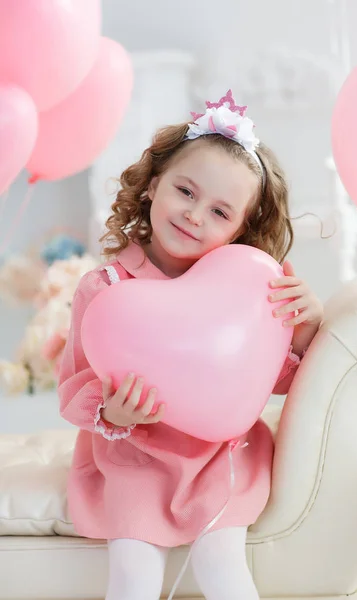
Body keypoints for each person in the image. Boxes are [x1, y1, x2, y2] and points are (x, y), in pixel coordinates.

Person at [58, 90, 323, 600]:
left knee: (223, 568)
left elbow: (275, 379)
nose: (195, 215)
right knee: (133, 577)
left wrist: (306, 326)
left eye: (221, 211)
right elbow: (75, 384)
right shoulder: (106, 288)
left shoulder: (249, 289)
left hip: (220, 456)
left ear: (241, 228)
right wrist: (112, 412)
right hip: (136, 459)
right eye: (185, 190)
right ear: (154, 185)